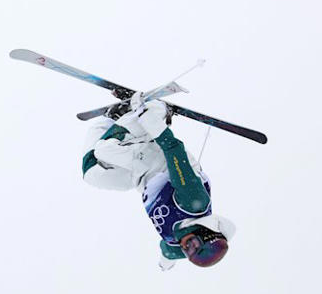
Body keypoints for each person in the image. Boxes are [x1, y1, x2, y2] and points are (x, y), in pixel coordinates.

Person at [82, 93, 235, 270]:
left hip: (143, 178)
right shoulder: (194, 202)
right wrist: (145, 115)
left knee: (92, 175)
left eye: (187, 251)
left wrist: (165, 265)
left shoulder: (176, 243)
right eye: (192, 244)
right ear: (205, 231)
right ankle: (152, 111)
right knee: (105, 151)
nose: (186, 246)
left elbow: (168, 252)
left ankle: (109, 120)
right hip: (161, 161)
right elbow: (173, 148)